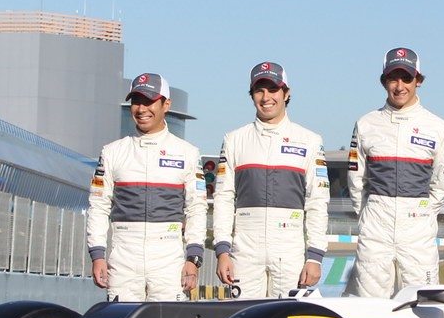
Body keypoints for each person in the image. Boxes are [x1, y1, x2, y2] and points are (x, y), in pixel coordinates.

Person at [212, 61, 330, 297]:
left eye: (273, 89)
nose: (266, 97)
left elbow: (317, 201)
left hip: (290, 249)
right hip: (244, 250)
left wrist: (315, 256)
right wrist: (222, 251)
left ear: (286, 94)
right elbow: (223, 199)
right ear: (252, 95)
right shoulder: (234, 139)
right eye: (259, 90)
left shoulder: (310, 140)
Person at [86, 73, 207, 301]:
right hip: (123, 255)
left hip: (168, 257)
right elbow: (98, 205)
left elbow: (196, 209)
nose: (142, 109)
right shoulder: (112, 152)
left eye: (149, 101)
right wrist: (98, 255)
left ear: (166, 104)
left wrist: (193, 258)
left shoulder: (188, 153)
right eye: (136, 101)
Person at [345, 48, 444, 298]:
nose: (399, 86)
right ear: (384, 81)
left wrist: (422, 213)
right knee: (369, 305)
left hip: (417, 227)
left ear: (418, 80)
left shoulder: (438, 127)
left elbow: (440, 184)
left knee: (423, 303)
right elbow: (356, 180)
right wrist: (371, 213)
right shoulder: (365, 123)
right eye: (393, 78)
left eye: (406, 78)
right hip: (376, 224)